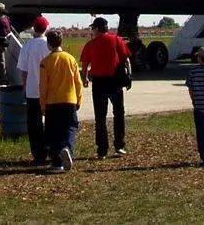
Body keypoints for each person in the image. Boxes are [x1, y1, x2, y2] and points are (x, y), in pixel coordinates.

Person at [80, 16, 131, 159]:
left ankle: (102, 149)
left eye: (93, 28)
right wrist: (129, 77)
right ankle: (119, 145)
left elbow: (84, 65)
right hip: (115, 81)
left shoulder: (90, 44)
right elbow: (126, 59)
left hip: (99, 82)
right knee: (119, 113)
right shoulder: (117, 40)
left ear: (96, 29)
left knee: (100, 117)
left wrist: (84, 79)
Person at [39, 30, 82, 173]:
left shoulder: (45, 62)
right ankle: (67, 147)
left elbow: (43, 86)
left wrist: (42, 104)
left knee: (54, 132)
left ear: (48, 44)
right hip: (69, 99)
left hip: (52, 102)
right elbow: (78, 82)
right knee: (70, 127)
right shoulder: (70, 59)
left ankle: (57, 163)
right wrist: (78, 99)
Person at [17, 15, 50, 165]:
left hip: (32, 90)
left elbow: (23, 70)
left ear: (33, 29)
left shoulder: (27, 46)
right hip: (48, 90)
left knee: (34, 123)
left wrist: (25, 85)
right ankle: (51, 148)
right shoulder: (49, 45)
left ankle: (38, 153)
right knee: (50, 121)